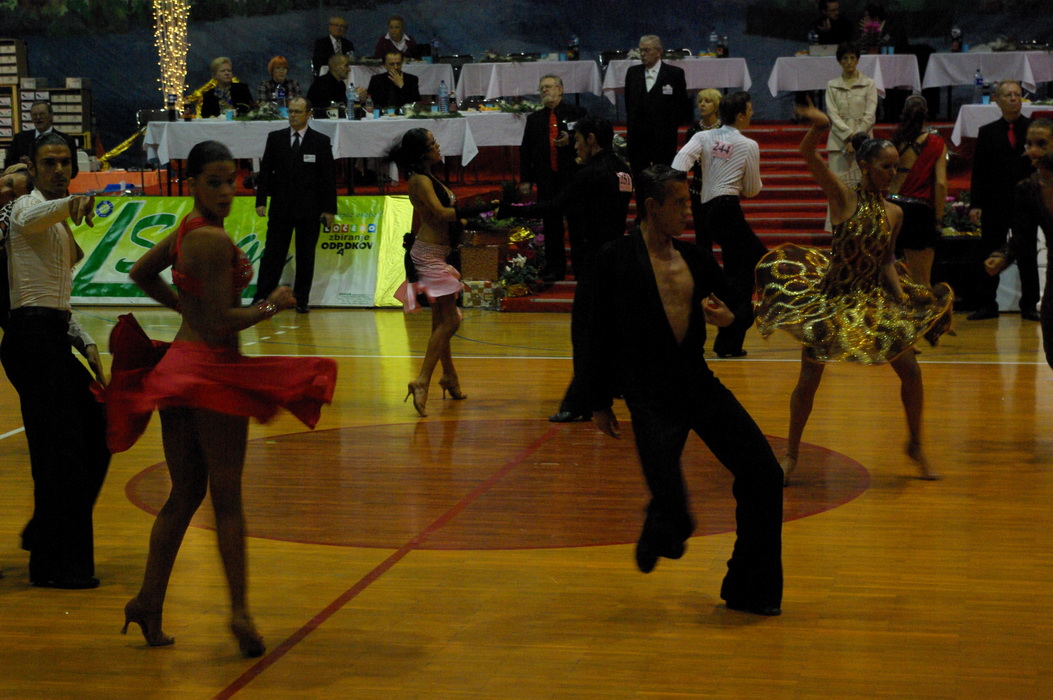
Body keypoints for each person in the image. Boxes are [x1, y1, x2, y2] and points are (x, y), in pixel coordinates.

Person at [111, 140, 337, 656]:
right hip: (209, 374)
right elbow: (218, 324)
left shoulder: (186, 230)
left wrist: (183, 311)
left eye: (231, 181)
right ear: (192, 184)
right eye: (213, 182)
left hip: (177, 371)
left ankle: (147, 600)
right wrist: (271, 305)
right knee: (227, 500)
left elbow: (141, 274)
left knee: (184, 494)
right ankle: (239, 612)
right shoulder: (210, 239)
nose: (226, 191)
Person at [582, 165, 784, 616]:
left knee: (764, 475)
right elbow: (596, 331)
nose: (687, 212)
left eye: (688, 203)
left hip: (697, 383)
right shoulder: (615, 258)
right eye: (678, 203)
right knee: (675, 508)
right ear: (652, 207)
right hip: (648, 395)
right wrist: (597, 400)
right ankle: (663, 523)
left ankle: (751, 587)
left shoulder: (694, 258)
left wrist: (732, 319)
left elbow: (738, 300)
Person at [755, 104, 953, 484]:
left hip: (871, 299)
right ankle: (791, 454)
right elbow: (808, 155)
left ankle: (915, 445)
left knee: (911, 372)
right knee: (808, 380)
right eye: (885, 167)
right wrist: (820, 126)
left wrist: (901, 298)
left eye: (895, 167)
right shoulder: (842, 196)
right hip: (832, 299)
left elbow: (886, 261)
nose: (891, 173)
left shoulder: (895, 213)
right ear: (865, 166)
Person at [1, 133, 110, 589]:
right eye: (49, 162)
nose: (60, 170)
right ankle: (54, 566)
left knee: (99, 432)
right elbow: (35, 216)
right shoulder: (25, 208)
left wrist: (84, 340)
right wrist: (73, 204)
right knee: (58, 454)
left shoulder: (58, 225)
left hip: (51, 337)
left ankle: (45, 532)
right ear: (33, 167)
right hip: (30, 342)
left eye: (65, 162)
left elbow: (56, 300)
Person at [507, 116, 633, 422]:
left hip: (595, 262)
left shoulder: (590, 173)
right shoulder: (623, 169)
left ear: (591, 139)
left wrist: (510, 210)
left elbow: (556, 206)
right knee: (611, 329)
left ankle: (580, 403)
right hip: (618, 258)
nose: (574, 146)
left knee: (585, 333)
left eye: (577, 140)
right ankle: (614, 385)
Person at [390, 129, 491, 417]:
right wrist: (477, 210)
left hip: (436, 254)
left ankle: (449, 376)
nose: (438, 146)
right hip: (428, 257)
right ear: (422, 152)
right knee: (451, 320)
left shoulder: (428, 176)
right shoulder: (420, 180)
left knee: (441, 321)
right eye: (432, 143)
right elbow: (439, 214)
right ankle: (422, 380)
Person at [672, 91, 764, 358]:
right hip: (728, 209)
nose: (752, 113)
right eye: (749, 109)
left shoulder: (703, 136)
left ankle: (729, 344)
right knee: (762, 263)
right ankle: (734, 318)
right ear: (740, 115)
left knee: (741, 275)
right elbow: (752, 189)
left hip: (707, 210)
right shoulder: (748, 144)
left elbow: (679, 163)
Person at [253, 97, 336, 314]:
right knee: (273, 254)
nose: (293, 115)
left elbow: (328, 178)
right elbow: (265, 172)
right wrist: (261, 201)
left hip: (310, 208)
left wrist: (329, 209)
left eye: (298, 112)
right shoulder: (276, 138)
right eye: (290, 111)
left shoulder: (320, 141)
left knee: (306, 255)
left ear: (309, 114)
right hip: (280, 207)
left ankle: (301, 300)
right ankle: (262, 296)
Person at [968, 80, 1035, 320]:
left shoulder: (1034, 129)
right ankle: (987, 304)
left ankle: (1029, 304)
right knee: (990, 250)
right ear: (997, 100)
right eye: (1008, 95)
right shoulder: (988, 132)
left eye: (1017, 95)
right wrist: (976, 204)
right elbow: (979, 170)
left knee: (1027, 252)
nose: (1014, 99)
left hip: (1026, 201)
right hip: (995, 201)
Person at [984, 120, 1053, 346]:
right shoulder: (1028, 189)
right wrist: (1003, 255)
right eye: (1029, 144)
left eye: (1041, 144)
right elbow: (1023, 235)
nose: (1032, 151)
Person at [517, 74, 586, 282]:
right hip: (547, 177)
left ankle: (581, 267)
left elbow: (590, 138)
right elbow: (526, 150)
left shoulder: (577, 112)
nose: (545, 91)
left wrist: (570, 139)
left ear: (560, 90)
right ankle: (555, 268)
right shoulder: (534, 119)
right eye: (542, 88)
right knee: (551, 224)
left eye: (549, 87)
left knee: (577, 223)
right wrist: (526, 179)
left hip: (572, 176)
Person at [888, 94, 947, 287]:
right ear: (926, 113)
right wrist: (938, 219)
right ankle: (923, 307)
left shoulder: (895, 142)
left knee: (891, 273)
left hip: (892, 206)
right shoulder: (936, 143)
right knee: (922, 280)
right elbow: (940, 183)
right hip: (919, 212)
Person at [624, 35, 690, 176]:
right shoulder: (632, 73)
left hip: (663, 139)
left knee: (663, 179)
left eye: (647, 50)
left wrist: (668, 127)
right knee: (640, 178)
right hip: (638, 139)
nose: (643, 54)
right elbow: (629, 104)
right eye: (641, 50)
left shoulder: (674, 74)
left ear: (659, 51)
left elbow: (681, 105)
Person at [825, 43, 877, 197]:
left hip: (864, 146)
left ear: (858, 60)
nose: (849, 62)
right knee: (838, 192)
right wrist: (850, 136)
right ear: (839, 61)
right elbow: (832, 115)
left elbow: (870, 115)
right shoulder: (832, 86)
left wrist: (856, 140)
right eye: (845, 58)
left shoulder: (869, 84)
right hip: (839, 145)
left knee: (863, 192)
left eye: (852, 58)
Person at [683, 89, 722, 255]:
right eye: (700, 101)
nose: (702, 105)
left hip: (719, 189)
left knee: (721, 232)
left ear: (717, 106)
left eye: (707, 101)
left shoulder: (724, 130)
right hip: (698, 188)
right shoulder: (692, 131)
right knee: (701, 233)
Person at [4, 101, 79, 177]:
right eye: (34, 114)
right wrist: (22, 166)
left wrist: (31, 166)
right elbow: (8, 167)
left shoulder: (66, 140)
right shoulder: (20, 138)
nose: (38, 117)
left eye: (42, 114)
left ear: (51, 116)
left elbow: (73, 171)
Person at [307, 54, 352, 118]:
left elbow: (342, 106)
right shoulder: (321, 84)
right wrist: (351, 98)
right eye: (346, 65)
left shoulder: (341, 84)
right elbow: (327, 108)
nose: (349, 69)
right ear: (335, 66)